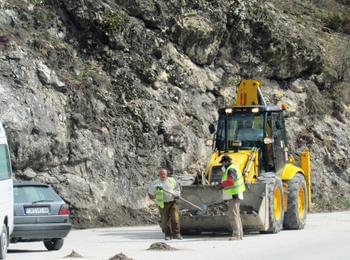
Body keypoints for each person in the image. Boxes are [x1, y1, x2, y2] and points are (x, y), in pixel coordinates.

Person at [148, 168, 182, 240]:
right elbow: (150, 192)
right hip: (162, 204)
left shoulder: (172, 180)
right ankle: (168, 235)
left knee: (175, 218)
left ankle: (177, 234)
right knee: (165, 220)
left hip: (172, 202)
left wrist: (176, 194)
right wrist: (155, 188)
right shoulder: (156, 182)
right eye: (161, 174)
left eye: (164, 174)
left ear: (166, 174)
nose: (163, 175)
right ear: (159, 175)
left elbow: (177, 189)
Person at [219, 155, 246, 240]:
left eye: (222, 163)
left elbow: (231, 181)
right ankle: (240, 234)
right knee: (236, 215)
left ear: (226, 162)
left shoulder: (231, 169)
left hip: (234, 195)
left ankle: (236, 235)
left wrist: (221, 185)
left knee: (233, 215)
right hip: (235, 195)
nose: (222, 165)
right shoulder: (232, 168)